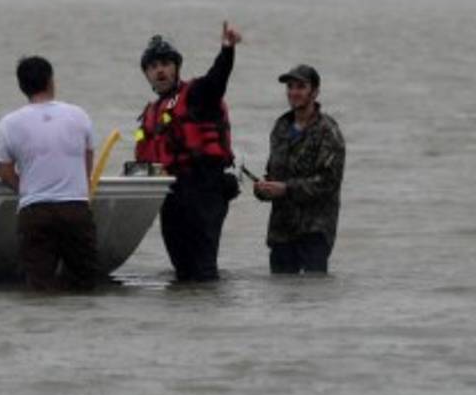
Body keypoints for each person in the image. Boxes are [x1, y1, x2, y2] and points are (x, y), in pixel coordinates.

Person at [134, 23, 242, 282]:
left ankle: (208, 304)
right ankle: (186, 309)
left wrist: (227, 50)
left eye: (165, 64)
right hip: (170, 193)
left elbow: (218, 79)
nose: (160, 70)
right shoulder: (150, 112)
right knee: (181, 267)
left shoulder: (196, 94)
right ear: (147, 74)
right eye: (153, 66)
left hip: (204, 187)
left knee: (202, 266)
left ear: (176, 67)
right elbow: (144, 159)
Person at [0, 56, 97, 291]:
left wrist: (28, 189)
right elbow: (87, 162)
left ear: (21, 86)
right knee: (84, 285)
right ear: (51, 81)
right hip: (75, 208)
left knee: (40, 288)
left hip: (35, 211)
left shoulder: (9, 124)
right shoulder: (79, 115)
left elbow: (5, 173)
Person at [254, 64, 346, 274]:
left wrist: (286, 189)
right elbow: (274, 174)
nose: (293, 92)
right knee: (280, 293)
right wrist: (263, 188)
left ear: (315, 92)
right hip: (281, 232)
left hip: (314, 232)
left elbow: (328, 182)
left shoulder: (328, 130)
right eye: (290, 87)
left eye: (301, 87)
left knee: (312, 293)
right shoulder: (280, 127)